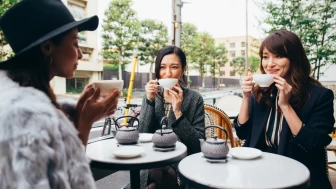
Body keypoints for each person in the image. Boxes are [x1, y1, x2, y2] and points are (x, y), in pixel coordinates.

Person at [0, 0, 119, 188]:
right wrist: (85, 123)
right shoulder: (24, 115)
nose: (80, 54)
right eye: (74, 44)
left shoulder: (24, 97)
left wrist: (80, 116)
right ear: (47, 48)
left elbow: (62, 172)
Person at [235, 30, 335, 189]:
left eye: (279, 56)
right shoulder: (262, 91)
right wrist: (246, 97)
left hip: (299, 170)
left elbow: (313, 145)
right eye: (265, 57)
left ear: (294, 59)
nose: (269, 64)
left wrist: (286, 106)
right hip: (259, 168)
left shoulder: (320, 96)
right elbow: (242, 133)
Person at [138, 45, 205, 189]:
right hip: (152, 160)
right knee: (156, 177)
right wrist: (149, 101)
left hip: (181, 162)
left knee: (157, 181)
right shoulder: (152, 96)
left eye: (174, 67)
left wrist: (178, 112)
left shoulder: (194, 99)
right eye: (162, 67)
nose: (167, 73)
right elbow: (141, 133)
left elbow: (197, 145)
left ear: (183, 70)